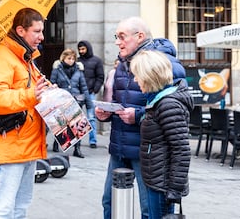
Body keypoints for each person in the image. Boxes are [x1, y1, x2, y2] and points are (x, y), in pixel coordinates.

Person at [95, 16, 186, 219]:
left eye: (122, 37)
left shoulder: (166, 64)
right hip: (120, 146)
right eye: (116, 37)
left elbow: (174, 107)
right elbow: (121, 101)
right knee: (110, 203)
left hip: (149, 152)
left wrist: (137, 116)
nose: (117, 42)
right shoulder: (121, 64)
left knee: (150, 209)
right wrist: (106, 114)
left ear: (140, 36)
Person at [0, 8, 49, 218]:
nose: (41, 36)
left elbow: (32, 93)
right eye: (36, 31)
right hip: (8, 145)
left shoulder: (24, 59)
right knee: (2, 210)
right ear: (20, 30)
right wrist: (31, 94)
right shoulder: (2, 57)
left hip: (24, 145)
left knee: (19, 208)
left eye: (42, 31)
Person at [130, 50, 193, 218]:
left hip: (162, 184)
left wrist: (174, 190)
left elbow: (181, 150)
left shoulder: (168, 104)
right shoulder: (157, 100)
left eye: (137, 75)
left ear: (150, 76)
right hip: (157, 178)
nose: (135, 80)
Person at [50, 48, 93, 158]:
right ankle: (56, 142)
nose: (71, 60)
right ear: (63, 58)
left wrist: (88, 103)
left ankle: (77, 149)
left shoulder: (78, 70)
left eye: (73, 58)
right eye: (69, 58)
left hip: (76, 99)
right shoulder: (57, 70)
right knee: (62, 125)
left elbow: (83, 87)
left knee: (77, 125)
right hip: (62, 100)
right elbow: (52, 85)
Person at [77, 40, 104, 149]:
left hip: (90, 92)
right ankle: (77, 141)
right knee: (77, 118)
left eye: (83, 49)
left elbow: (100, 76)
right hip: (78, 93)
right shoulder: (77, 61)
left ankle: (92, 140)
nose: (81, 51)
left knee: (91, 117)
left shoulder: (97, 61)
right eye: (79, 49)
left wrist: (95, 89)